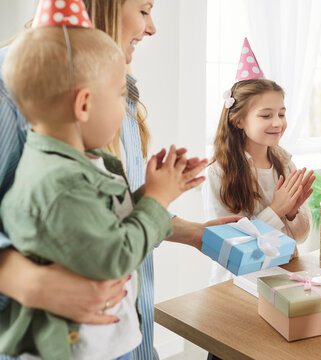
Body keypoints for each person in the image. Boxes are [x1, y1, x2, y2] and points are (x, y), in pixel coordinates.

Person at [0, 1, 239, 359]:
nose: (152, 27)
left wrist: (188, 228)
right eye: (144, 10)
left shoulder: (112, 88)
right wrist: (28, 282)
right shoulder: (13, 89)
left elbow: (94, 213)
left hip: (128, 339)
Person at [203, 38, 314, 285]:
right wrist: (277, 210)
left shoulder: (284, 165)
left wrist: (293, 213)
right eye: (266, 115)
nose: (277, 123)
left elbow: (301, 237)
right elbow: (233, 247)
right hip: (236, 284)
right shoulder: (219, 174)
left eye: (281, 114)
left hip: (281, 278)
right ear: (239, 120)